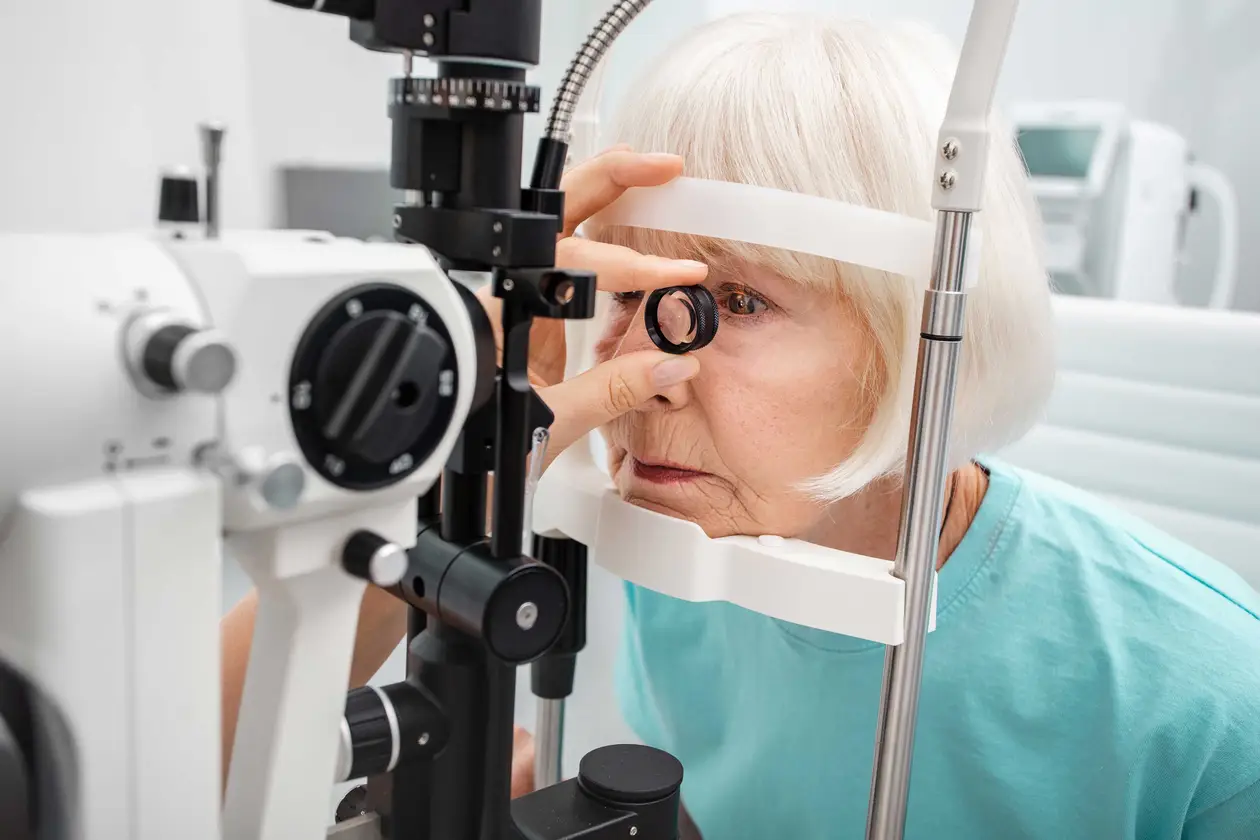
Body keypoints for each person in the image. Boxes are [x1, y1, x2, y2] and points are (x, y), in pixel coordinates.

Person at [221, 12, 1260, 839]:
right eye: (629, 291)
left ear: (917, 334)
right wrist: (469, 447)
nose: (645, 375)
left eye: (740, 302)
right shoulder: (688, 561)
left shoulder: (1212, 710)